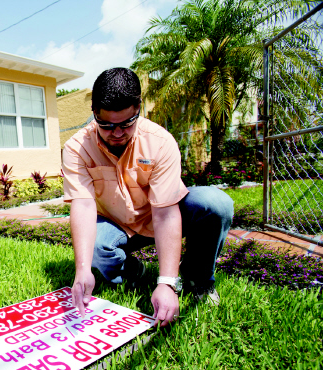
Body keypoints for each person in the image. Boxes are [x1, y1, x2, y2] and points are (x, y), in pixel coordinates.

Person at [62, 68, 233, 326]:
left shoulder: (160, 142)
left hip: (160, 214)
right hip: (117, 224)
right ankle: (132, 272)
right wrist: (82, 269)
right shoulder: (77, 148)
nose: (117, 133)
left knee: (217, 204)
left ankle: (197, 277)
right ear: (94, 112)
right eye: (106, 125)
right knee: (96, 247)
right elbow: (83, 206)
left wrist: (167, 283)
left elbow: (165, 212)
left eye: (126, 124)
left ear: (139, 108)